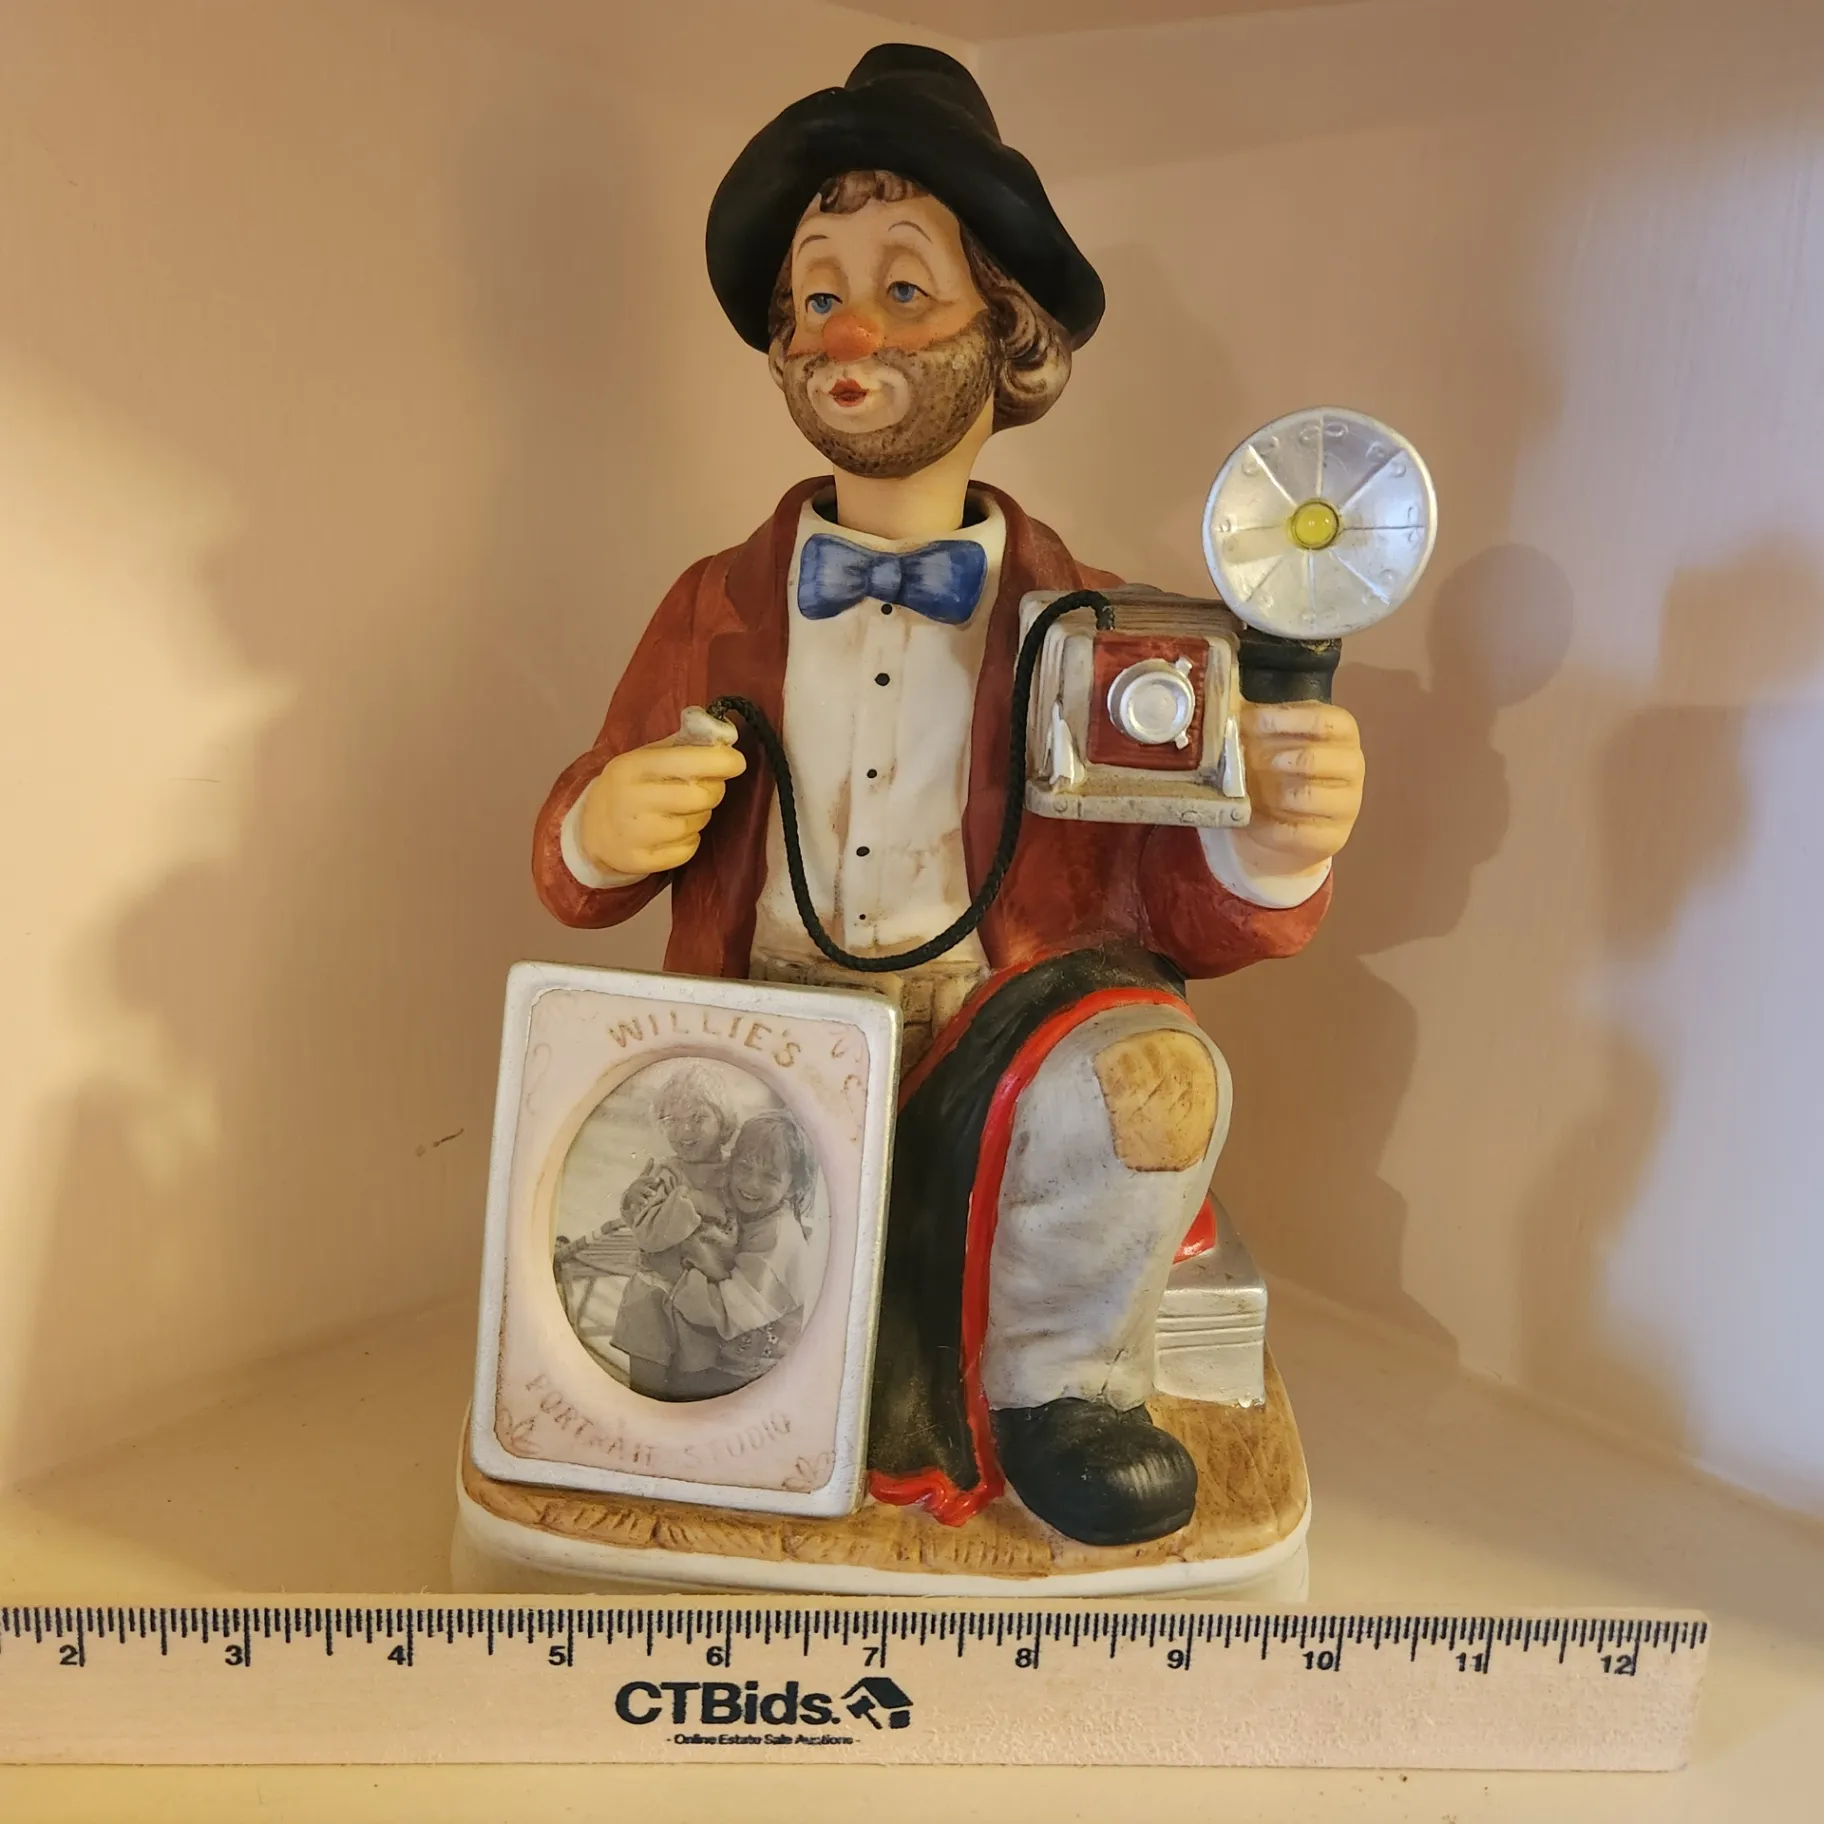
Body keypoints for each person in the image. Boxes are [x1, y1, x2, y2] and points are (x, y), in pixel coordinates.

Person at [531, 48, 1366, 1545]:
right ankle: (738, 1402)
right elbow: (583, 850)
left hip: (1004, 1025)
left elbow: (1181, 905)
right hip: (769, 1029)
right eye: (816, 297)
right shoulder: (716, 605)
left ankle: (1057, 1392)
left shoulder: (1103, 631)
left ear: (1010, 332)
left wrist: (1274, 841)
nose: (848, 330)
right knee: (704, 1253)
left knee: (1150, 1078)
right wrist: (604, 826)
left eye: (904, 288)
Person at [670, 1109, 822, 1393]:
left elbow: (723, 1312)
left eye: (770, 1177)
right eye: (744, 1167)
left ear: (793, 1187)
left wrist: (675, 1274)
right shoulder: (753, 1210)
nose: (752, 1184)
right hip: (729, 1355)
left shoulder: (779, 1238)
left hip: (755, 1375)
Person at [607, 1066, 737, 1399]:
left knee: (694, 1381)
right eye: (671, 1121)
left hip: (703, 1296)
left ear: (724, 1123)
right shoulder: (666, 1172)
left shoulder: (735, 1173)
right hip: (654, 1292)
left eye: (697, 1118)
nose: (684, 1131)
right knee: (646, 1384)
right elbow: (646, 1227)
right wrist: (634, 1199)